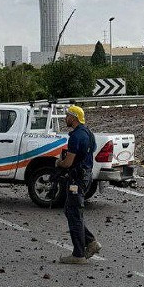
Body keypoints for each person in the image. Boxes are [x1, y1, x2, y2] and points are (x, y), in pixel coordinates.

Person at [56, 105, 101, 264]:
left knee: (73, 212)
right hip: (86, 176)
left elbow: (68, 163)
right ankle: (90, 242)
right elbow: (91, 151)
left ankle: (79, 254)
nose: (65, 118)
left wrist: (59, 163)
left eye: (67, 115)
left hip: (76, 180)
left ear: (74, 118)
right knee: (71, 211)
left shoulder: (75, 137)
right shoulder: (89, 133)